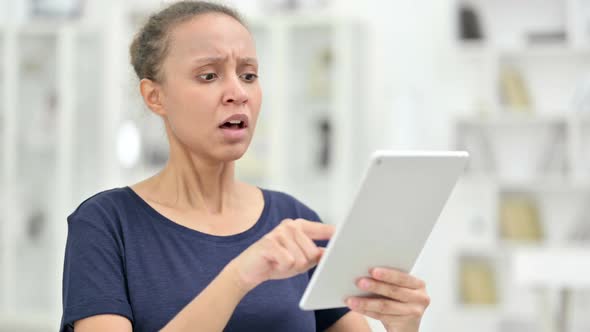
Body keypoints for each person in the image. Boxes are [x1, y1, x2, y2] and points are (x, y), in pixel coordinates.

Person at [59, 1, 430, 331]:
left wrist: (404, 326)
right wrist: (239, 276)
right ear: (155, 96)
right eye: (209, 75)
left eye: (248, 75)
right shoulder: (106, 225)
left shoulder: (293, 218)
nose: (237, 92)